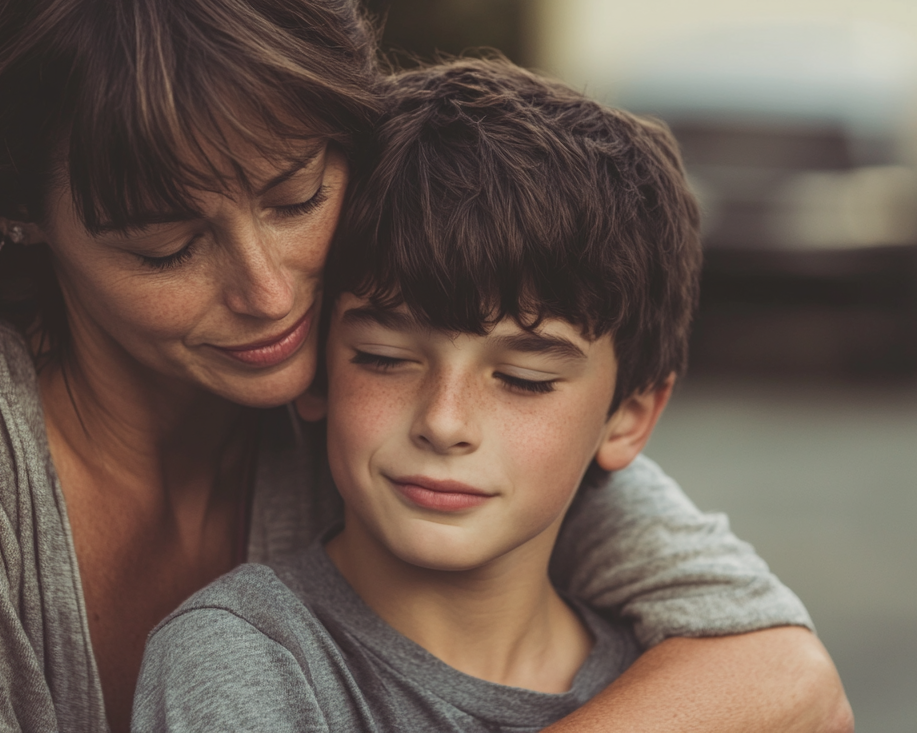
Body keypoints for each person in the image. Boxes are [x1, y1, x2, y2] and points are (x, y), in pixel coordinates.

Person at [0, 0, 851, 732]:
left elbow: (782, 670)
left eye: (293, 193)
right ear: (17, 212)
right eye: (166, 243)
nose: (272, 290)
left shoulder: (393, 367)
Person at [130, 58, 850, 732]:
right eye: (384, 359)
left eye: (523, 380)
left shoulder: (687, 691)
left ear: (629, 417)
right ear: (317, 371)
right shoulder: (243, 658)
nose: (444, 423)